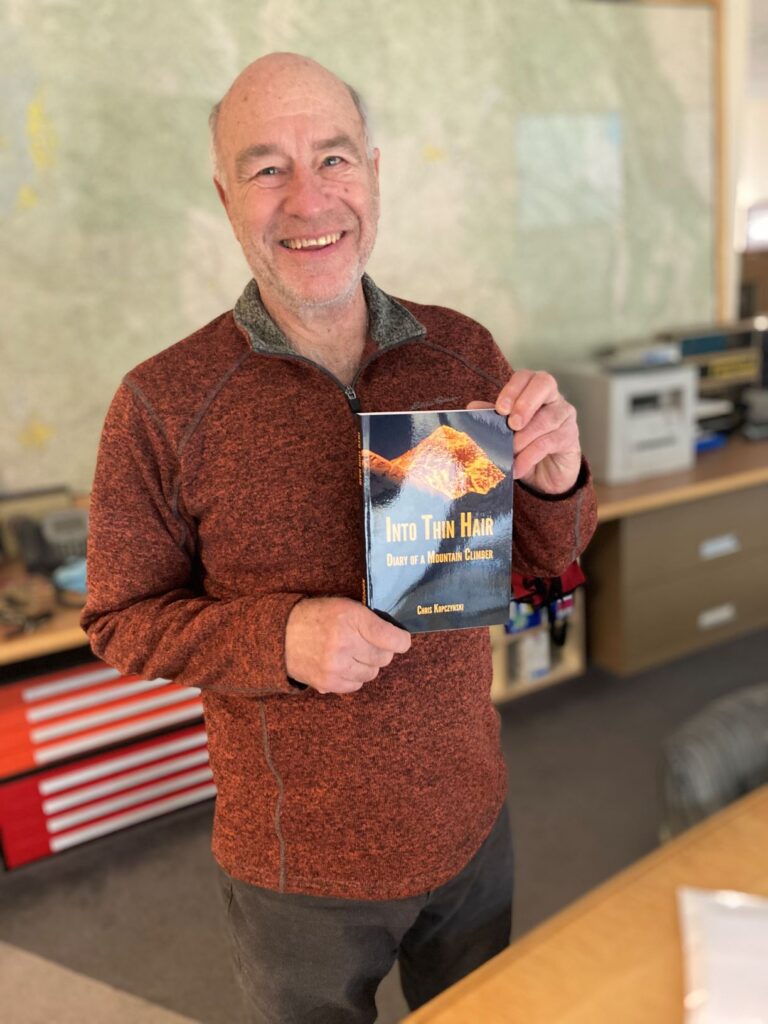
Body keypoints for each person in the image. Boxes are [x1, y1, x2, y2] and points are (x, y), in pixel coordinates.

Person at [82, 52, 597, 1024]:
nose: (309, 197)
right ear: (225, 195)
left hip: (471, 818)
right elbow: (119, 619)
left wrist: (558, 473)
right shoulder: (162, 403)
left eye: (334, 157)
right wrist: (279, 639)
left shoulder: (462, 350)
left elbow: (545, 552)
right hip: (296, 872)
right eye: (267, 166)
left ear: (373, 169)